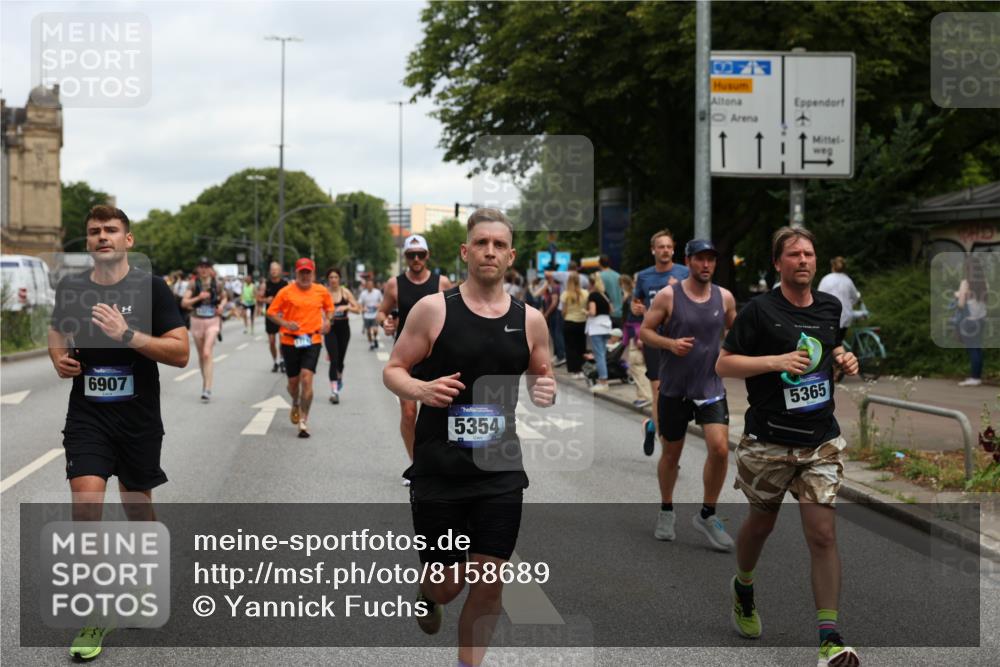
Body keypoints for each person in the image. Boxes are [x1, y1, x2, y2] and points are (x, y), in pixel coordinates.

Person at [383, 208, 556, 667]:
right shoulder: (434, 310)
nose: (489, 251)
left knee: (489, 581)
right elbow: (394, 369)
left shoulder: (530, 320)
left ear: (511, 256)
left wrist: (546, 389)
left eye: (499, 245)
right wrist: (421, 389)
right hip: (440, 469)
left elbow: (543, 378)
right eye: (481, 243)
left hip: (500, 470)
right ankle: (429, 593)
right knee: (448, 584)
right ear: (465, 251)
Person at [48, 205, 189, 660]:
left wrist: (127, 334)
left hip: (138, 418)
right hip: (88, 415)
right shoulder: (72, 288)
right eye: (95, 231)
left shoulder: (151, 289)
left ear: (128, 240)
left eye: (111, 230)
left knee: (136, 504)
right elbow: (56, 331)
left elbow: (181, 353)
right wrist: (58, 359)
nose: (102, 236)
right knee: (86, 504)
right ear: (88, 242)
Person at [716, 226, 860, 667]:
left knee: (823, 534)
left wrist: (843, 357)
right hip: (769, 440)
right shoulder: (759, 311)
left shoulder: (830, 307)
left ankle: (829, 640)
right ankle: (743, 586)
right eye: (794, 254)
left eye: (809, 253)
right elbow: (724, 363)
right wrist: (774, 361)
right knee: (761, 525)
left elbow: (830, 348)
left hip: (819, 440)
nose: (803, 260)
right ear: (778, 263)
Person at [640, 239, 738, 549]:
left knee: (720, 449)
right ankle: (666, 509)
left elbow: (737, 333)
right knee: (671, 455)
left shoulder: (725, 297)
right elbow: (645, 331)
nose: (706, 265)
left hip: (710, 386)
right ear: (688, 261)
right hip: (675, 388)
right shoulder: (669, 295)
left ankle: (708, 514)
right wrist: (670, 344)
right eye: (700, 259)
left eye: (711, 259)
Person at [378, 235, 454, 478]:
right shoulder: (394, 284)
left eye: (420, 254)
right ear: (405, 257)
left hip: (436, 355)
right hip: (407, 356)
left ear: (427, 255)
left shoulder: (442, 283)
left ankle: (437, 460)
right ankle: (416, 464)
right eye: (412, 255)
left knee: (436, 414)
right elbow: (381, 312)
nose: (416, 259)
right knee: (409, 413)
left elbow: (457, 312)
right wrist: (385, 323)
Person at [633, 230, 690, 454]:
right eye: (661, 247)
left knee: (678, 395)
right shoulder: (644, 276)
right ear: (653, 250)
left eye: (668, 246)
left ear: (673, 250)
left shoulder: (685, 273)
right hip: (655, 340)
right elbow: (636, 304)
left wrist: (678, 289)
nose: (665, 250)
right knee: (659, 391)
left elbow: (698, 300)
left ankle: (652, 425)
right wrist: (637, 309)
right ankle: (668, 452)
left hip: (680, 339)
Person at [266, 258, 334, 438]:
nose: (305, 276)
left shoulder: (321, 291)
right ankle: (295, 401)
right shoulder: (286, 292)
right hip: (290, 341)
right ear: (296, 273)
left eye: (308, 272)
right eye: (302, 272)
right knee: (293, 384)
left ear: (313, 273)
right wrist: (285, 323)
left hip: (313, 339)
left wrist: (328, 321)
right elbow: (271, 313)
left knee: (307, 378)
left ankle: (304, 420)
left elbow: (329, 309)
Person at [181, 258, 227, 402]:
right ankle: (205, 383)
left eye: (206, 266)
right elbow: (184, 302)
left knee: (207, 353)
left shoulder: (217, 283)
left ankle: (208, 388)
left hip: (213, 321)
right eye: (201, 266)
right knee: (201, 355)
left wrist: (221, 306)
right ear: (197, 269)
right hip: (196, 321)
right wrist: (198, 298)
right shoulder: (193, 283)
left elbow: (224, 298)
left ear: (210, 269)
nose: (204, 269)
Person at [324, 267, 361, 404]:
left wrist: (347, 307)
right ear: (328, 279)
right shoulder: (324, 293)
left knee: (340, 360)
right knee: (333, 359)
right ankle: (334, 392)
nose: (333, 280)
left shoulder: (345, 292)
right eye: (331, 277)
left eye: (335, 277)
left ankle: (339, 376)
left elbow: (358, 309)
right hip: (330, 329)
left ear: (339, 279)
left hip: (344, 330)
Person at [955, 254, 988, 387]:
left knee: (973, 349)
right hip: (981, 320)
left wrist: (957, 295)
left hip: (969, 321)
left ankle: (975, 378)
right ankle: (977, 376)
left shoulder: (965, 283)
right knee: (977, 348)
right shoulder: (984, 283)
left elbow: (961, 304)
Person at [620, 273, 653, 408]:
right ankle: (643, 395)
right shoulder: (650, 294)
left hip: (639, 335)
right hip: (641, 334)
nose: (634, 283)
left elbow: (639, 316)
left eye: (635, 280)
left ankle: (646, 396)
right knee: (641, 365)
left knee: (637, 365)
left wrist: (640, 337)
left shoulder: (639, 297)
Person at [817, 256, 861, 344]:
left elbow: (819, 298)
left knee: (831, 344)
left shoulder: (826, 279)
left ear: (832, 266)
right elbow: (855, 298)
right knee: (838, 341)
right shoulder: (848, 280)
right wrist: (850, 304)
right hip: (845, 317)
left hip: (829, 317)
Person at [586, 272, 614, 392]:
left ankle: (603, 381)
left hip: (596, 326)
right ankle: (603, 378)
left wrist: (585, 312)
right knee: (603, 353)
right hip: (606, 325)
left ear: (591, 284)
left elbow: (592, 312)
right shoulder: (605, 294)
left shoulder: (593, 295)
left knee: (599, 355)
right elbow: (611, 310)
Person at [259, 262, 288, 373]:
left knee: (282, 340)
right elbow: (259, 298)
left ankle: (282, 360)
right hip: (271, 316)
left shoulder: (285, 284)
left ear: (280, 271)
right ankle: (275, 361)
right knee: (271, 341)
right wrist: (266, 300)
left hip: (282, 316)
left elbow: (290, 298)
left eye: (276, 269)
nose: (274, 271)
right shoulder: (265, 285)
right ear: (270, 271)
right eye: (272, 269)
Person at [559, 272, 589, 379]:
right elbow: (587, 308)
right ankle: (582, 369)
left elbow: (563, 311)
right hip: (582, 322)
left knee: (570, 347)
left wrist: (566, 316)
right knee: (581, 346)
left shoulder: (565, 294)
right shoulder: (585, 293)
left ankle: (575, 370)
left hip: (569, 322)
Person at [358, 277, 384, 350]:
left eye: (371, 284)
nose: (370, 286)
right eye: (368, 285)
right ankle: (371, 343)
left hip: (375, 314)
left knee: (375, 329)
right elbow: (359, 303)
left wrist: (379, 305)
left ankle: (375, 338)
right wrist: (363, 308)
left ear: (373, 285)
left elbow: (382, 301)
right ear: (366, 285)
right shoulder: (363, 293)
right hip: (367, 315)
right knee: (368, 331)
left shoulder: (377, 292)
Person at [599, 254, 623, 328]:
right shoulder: (618, 275)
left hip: (607, 314)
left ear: (599, 264)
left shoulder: (599, 276)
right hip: (620, 312)